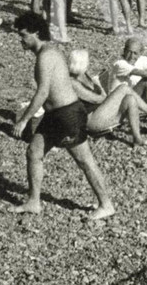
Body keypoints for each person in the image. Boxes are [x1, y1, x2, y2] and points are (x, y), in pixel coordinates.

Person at [10, 12, 115, 220]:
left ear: (36, 33)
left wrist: (23, 121)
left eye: (23, 35)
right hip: (54, 116)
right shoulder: (47, 53)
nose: (20, 40)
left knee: (84, 160)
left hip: (67, 116)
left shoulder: (46, 56)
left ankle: (106, 204)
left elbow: (42, 93)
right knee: (34, 152)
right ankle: (34, 201)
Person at [68, 49, 147, 147]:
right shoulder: (73, 82)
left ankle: (137, 139)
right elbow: (93, 99)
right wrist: (114, 98)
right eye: (86, 62)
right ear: (81, 64)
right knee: (123, 88)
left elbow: (101, 95)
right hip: (92, 120)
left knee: (130, 99)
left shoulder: (85, 76)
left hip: (102, 113)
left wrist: (112, 99)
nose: (88, 64)